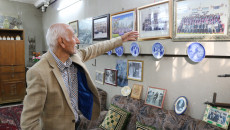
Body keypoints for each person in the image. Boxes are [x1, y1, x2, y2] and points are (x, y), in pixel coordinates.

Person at [20, 23, 138, 130]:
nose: (77, 40)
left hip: (76, 124)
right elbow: (28, 122)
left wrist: (121, 39)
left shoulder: (74, 57)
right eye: (73, 37)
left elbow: (96, 48)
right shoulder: (38, 72)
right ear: (62, 42)